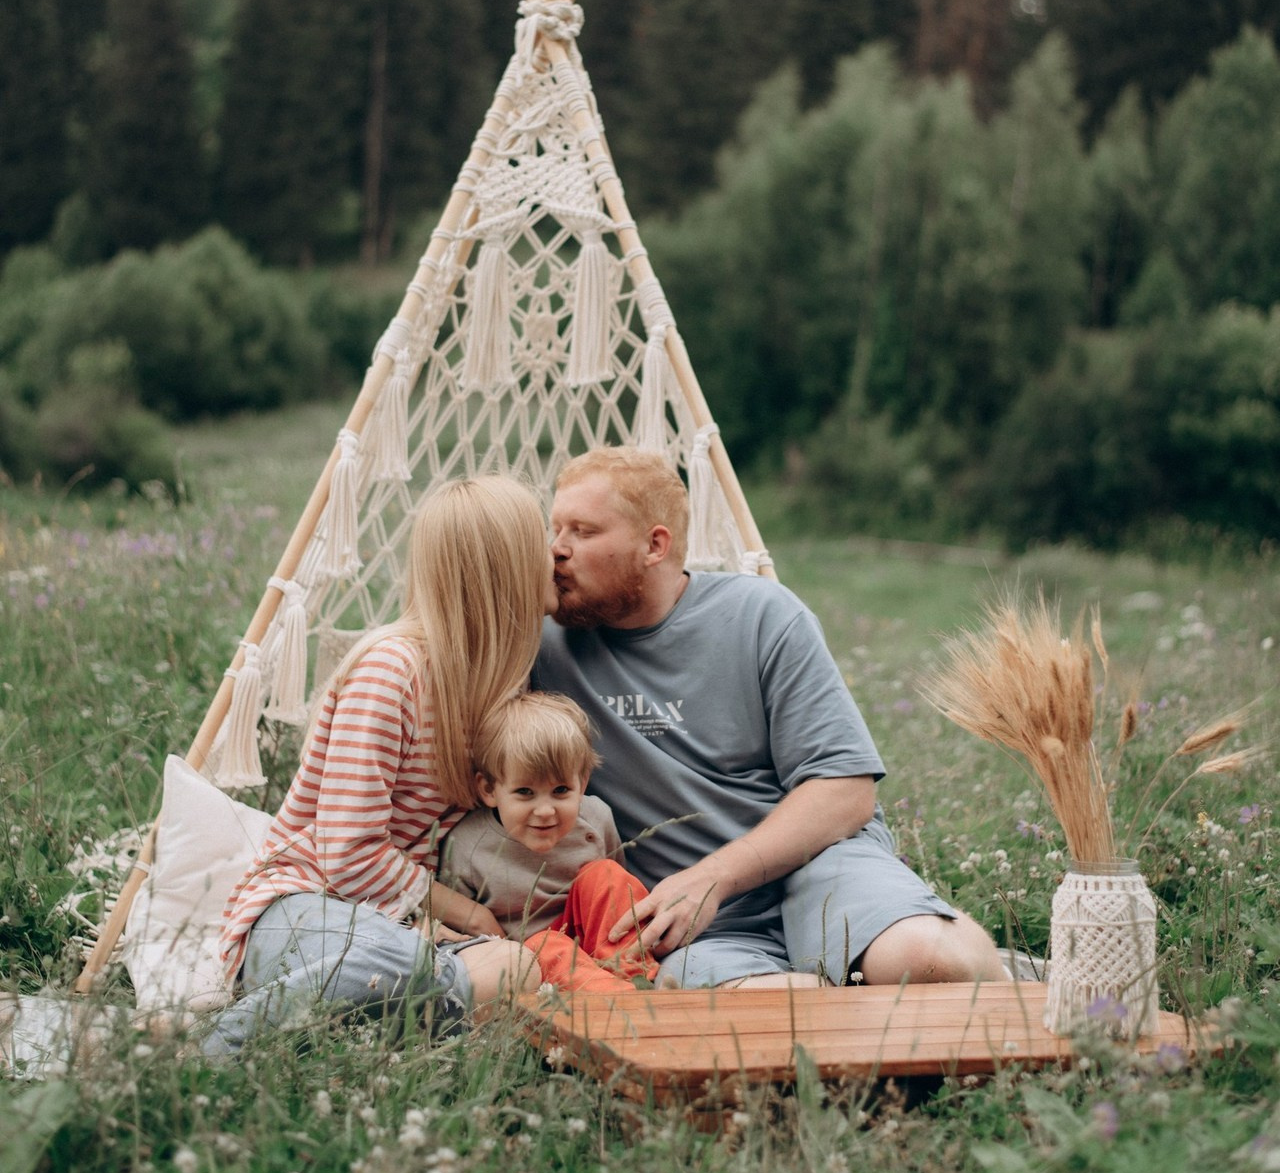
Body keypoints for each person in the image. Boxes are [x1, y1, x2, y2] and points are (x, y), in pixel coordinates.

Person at [536, 447, 1004, 991]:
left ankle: (962, 959)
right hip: (700, 933)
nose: (557, 551)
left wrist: (714, 877)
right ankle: (847, 992)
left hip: (821, 868)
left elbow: (845, 791)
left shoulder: (761, 615)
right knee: (774, 1012)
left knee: (930, 962)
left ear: (654, 545)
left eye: (583, 532)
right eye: (555, 529)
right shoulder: (542, 647)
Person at [202, 476, 547, 1059]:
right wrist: (460, 912)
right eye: (542, 545)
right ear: (506, 571)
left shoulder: (498, 686)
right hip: (304, 906)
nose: (554, 558)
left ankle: (349, 1019)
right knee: (391, 963)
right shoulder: (392, 671)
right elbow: (346, 851)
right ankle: (209, 1049)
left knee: (519, 970)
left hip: (399, 930)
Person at [441, 691, 658, 994]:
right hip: (530, 959)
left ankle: (635, 976)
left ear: (581, 783)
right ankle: (616, 999)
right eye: (525, 792)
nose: (545, 811)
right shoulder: (467, 846)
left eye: (560, 790)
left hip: (594, 945)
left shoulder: (596, 818)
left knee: (606, 874)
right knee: (547, 943)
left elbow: (615, 903)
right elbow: (458, 935)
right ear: (489, 789)